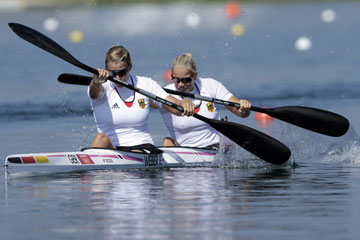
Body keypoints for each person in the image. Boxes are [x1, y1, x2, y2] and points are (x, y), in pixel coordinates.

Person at [88, 46, 194, 149]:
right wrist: (95, 83)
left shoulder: (146, 84)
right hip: (111, 149)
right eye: (113, 73)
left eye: (121, 72)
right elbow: (94, 93)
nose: (117, 77)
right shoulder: (101, 86)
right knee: (100, 138)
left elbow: (173, 106)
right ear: (106, 69)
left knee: (133, 150)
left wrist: (183, 104)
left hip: (142, 148)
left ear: (129, 67)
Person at [159, 53, 252, 149]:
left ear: (195, 75)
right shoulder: (165, 94)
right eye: (176, 80)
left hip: (214, 148)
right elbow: (148, 103)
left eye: (186, 80)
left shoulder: (210, 85)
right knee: (167, 141)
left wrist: (244, 108)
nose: (181, 84)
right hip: (183, 151)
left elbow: (241, 113)